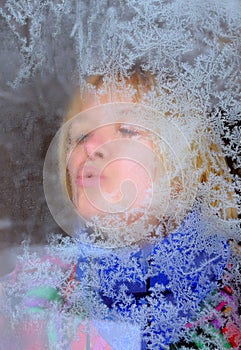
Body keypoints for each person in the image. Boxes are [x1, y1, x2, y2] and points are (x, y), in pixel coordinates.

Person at [0, 69, 240, 349]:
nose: (89, 147)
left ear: (183, 164)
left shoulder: (228, 288)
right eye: (79, 135)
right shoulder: (34, 288)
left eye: (127, 130)